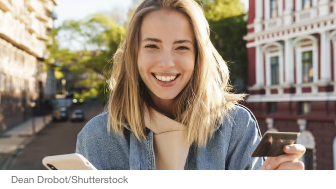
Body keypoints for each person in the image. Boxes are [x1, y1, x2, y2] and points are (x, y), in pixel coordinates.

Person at [76, 0, 306, 170]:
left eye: (182, 47)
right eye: (152, 46)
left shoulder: (236, 127)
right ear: (133, 55)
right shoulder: (95, 137)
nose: (167, 63)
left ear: (199, 57)